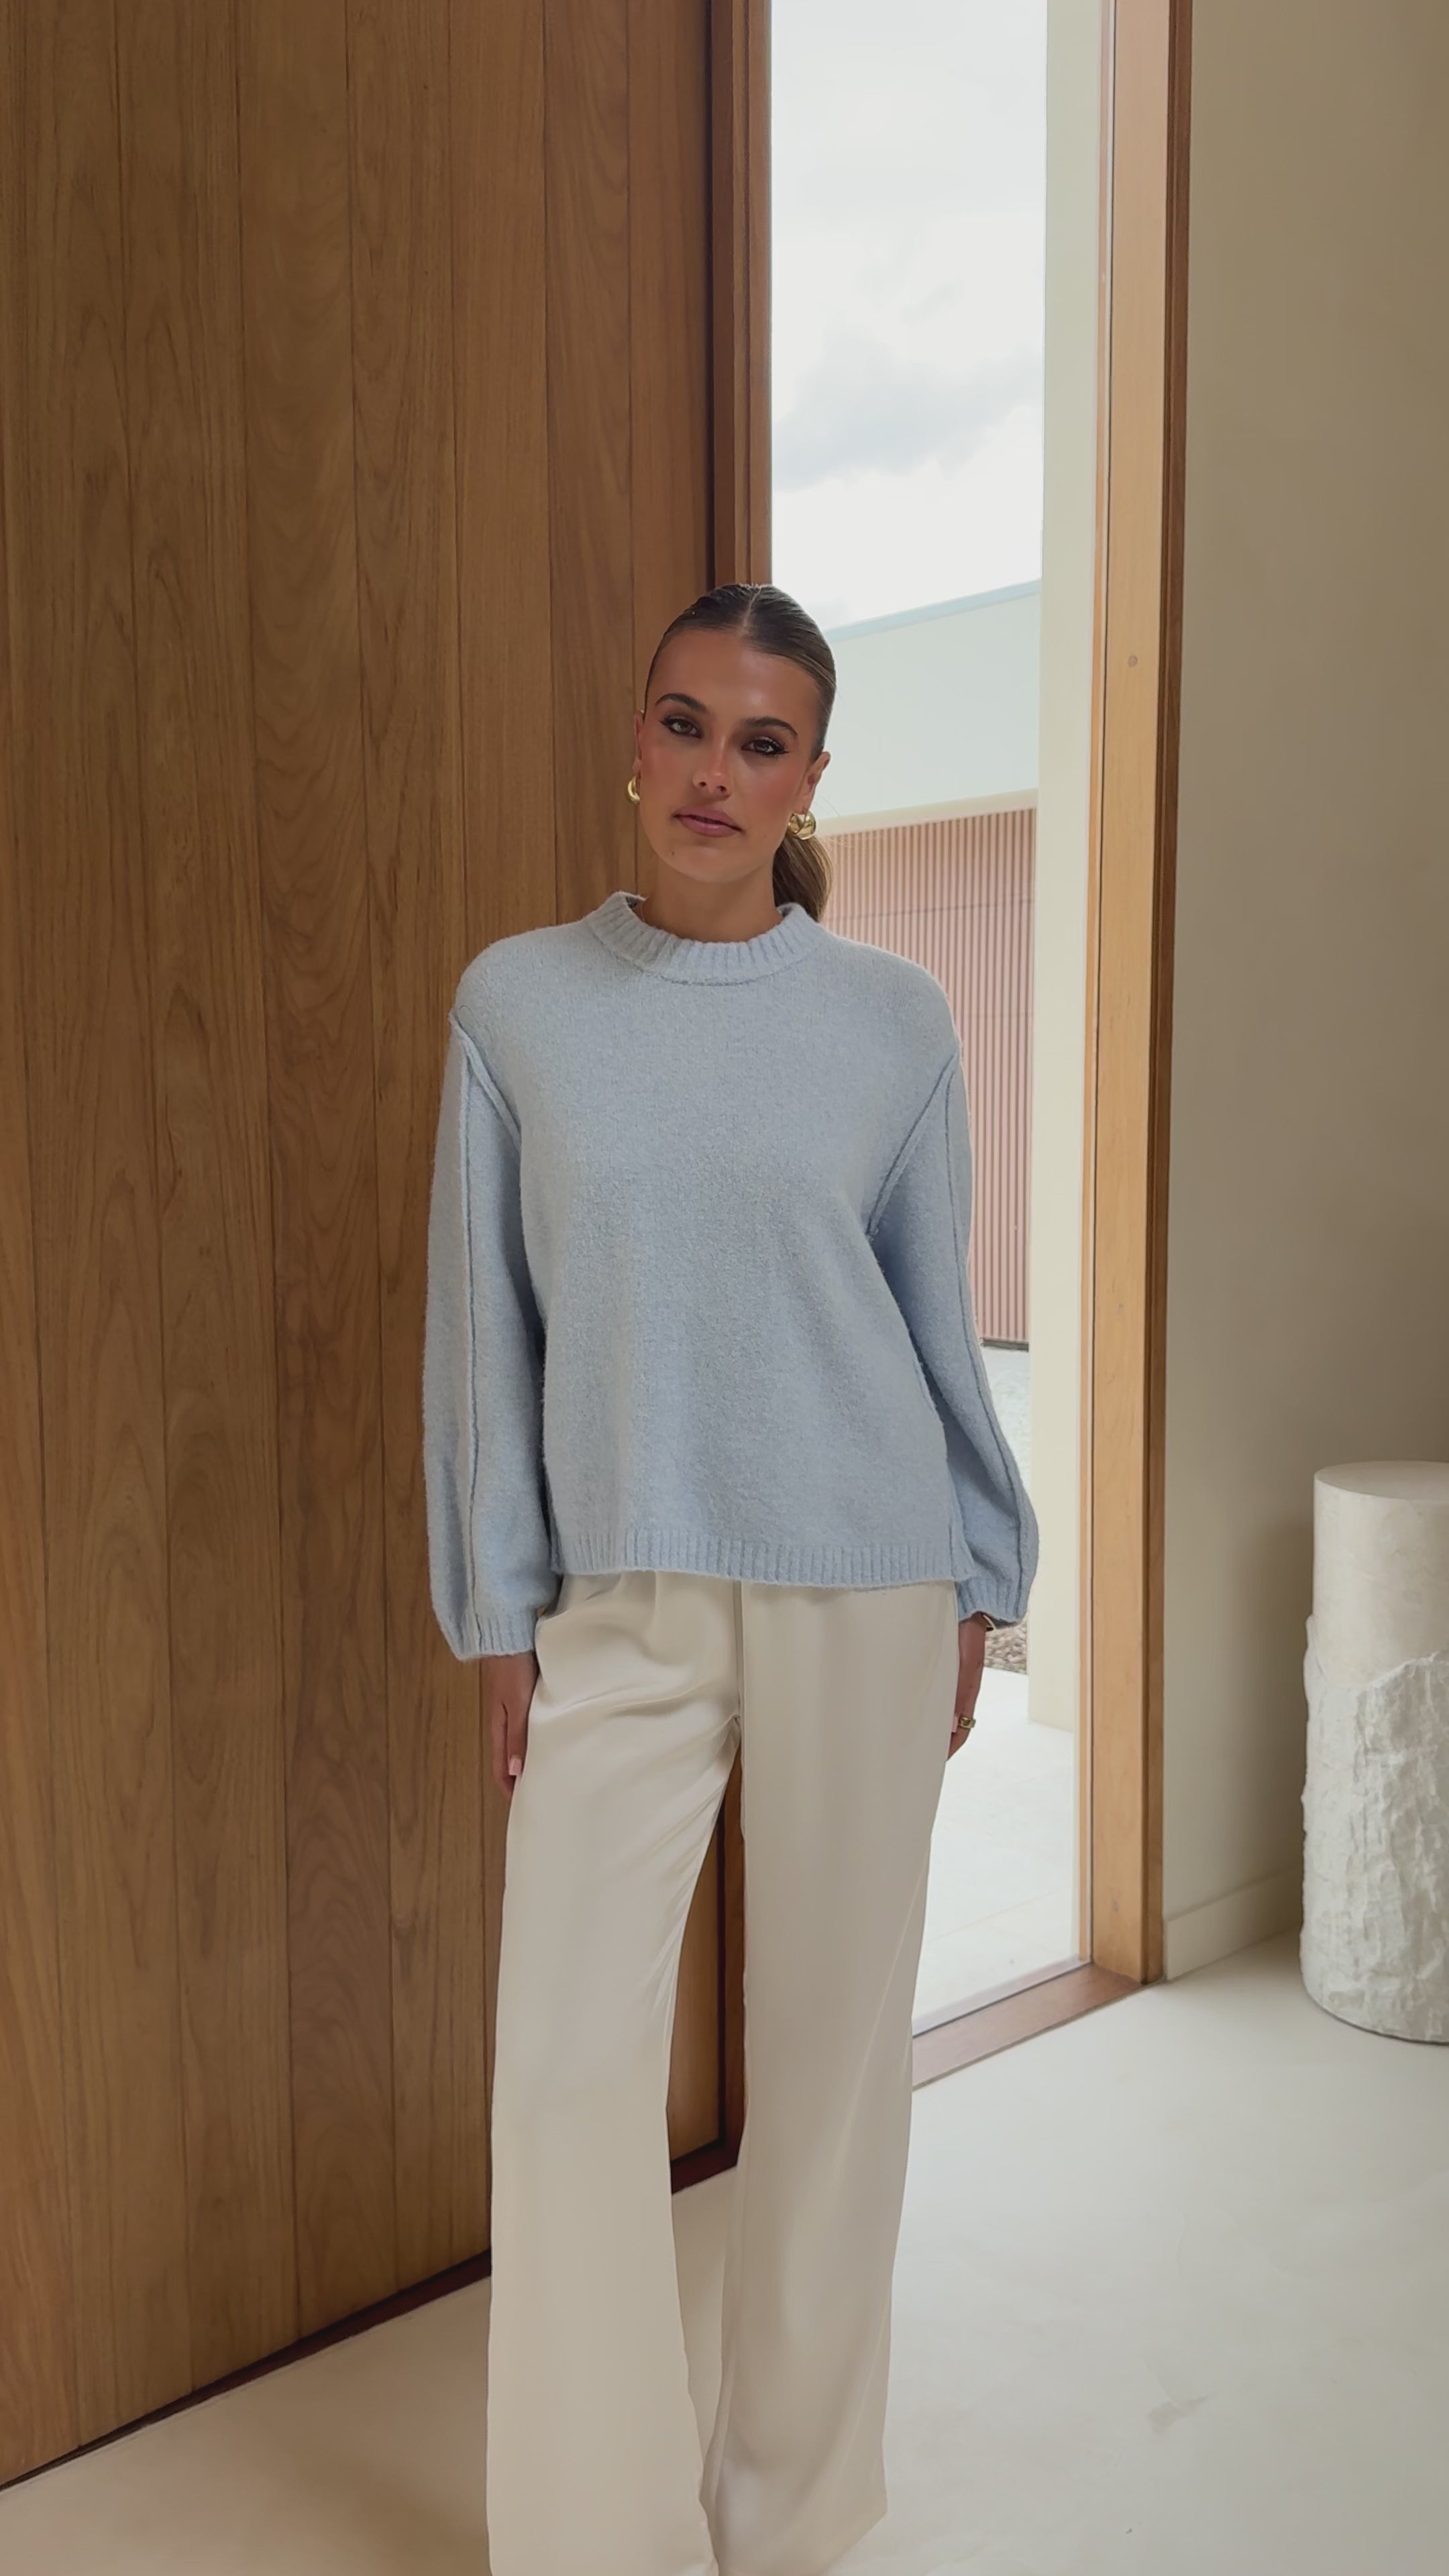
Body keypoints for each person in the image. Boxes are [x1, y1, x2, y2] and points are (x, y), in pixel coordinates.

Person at [421, 581, 1038, 2576]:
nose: (713, 771)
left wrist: (979, 1569)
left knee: (836, 2075)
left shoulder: (894, 1023)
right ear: (636, 739)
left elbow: (933, 1324)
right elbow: (483, 1337)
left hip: (869, 1577)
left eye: (761, 741)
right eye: (685, 724)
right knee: (565, 2072)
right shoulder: (519, 1004)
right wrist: (498, 1611)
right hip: (620, 1595)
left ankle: (788, 2520)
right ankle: (593, 2540)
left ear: (810, 779)